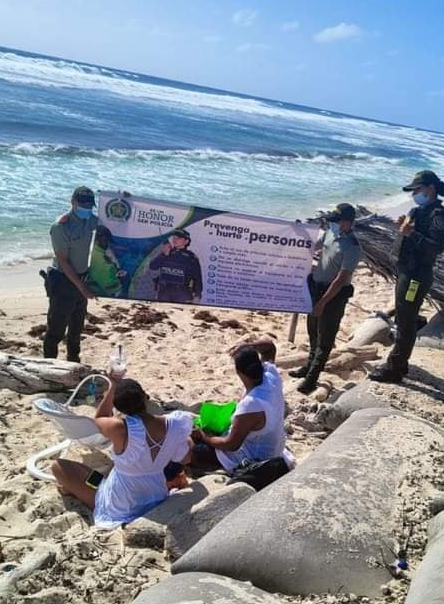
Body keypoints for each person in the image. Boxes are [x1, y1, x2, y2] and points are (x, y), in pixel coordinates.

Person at [50, 372, 193, 529]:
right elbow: (185, 459)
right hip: (156, 495)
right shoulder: (175, 424)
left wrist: (112, 388)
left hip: (121, 504)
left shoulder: (120, 428)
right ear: (145, 397)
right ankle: (76, 489)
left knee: (58, 466)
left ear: (118, 407)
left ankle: (74, 491)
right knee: (89, 473)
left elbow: (99, 418)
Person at [370, 171, 444, 384]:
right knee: (404, 318)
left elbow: (436, 247)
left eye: (417, 190)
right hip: (406, 270)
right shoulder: (420, 210)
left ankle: (394, 369)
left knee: (405, 321)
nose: (414, 194)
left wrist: (411, 233)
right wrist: (405, 227)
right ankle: (400, 364)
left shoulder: (437, 214)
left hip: (416, 275)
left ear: (430, 188)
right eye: (413, 190)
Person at [292, 203, 362, 394]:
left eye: (337, 221)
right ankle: (308, 367)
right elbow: (313, 247)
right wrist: (299, 234)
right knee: (312, 331)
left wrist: (323, 303)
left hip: (334, 295)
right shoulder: (330, 234)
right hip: (316, 288)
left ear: (347, 223)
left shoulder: (352, 247)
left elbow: (341, 279)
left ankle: (312, 378)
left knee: (326, 337)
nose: (333, 224)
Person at [191, 344, 286, 472]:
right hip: (274, 448)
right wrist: (247, 349)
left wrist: (204, 437)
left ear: (238, 372)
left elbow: (231, 445)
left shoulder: (251, 404)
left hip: (255, 459)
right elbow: (269, 347)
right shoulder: (271, 375)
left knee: (192, 447)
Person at [43, 186, 98, 361]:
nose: (86, 210)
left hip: (82, 278)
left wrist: (123, 201)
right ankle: (49, 367)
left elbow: (114, 222)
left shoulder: (89, 220)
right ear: (73, 202)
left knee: (76, 329)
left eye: (90, 207)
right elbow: (63, 261)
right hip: (63, 281)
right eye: (83, 206)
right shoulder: (61, 226)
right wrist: (82, 288)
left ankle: (74, 363)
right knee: (55, 331)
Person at [149, 228, 203, 303]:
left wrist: (197, 295)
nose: (175, 239)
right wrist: (163, 255)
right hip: (164, 292)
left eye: (179, 238)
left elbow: (197, 279)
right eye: (174, 237)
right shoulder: (166, 251)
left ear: (186, 241)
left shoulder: (192, 257)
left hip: (182, 294)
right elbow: (152, 266)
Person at [87, 226, 127, 297]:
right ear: (97, 239)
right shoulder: (98, 256)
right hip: (108, 292)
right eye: (105, 240)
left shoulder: (104, 250)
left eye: (108, 240)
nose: (107, 243)